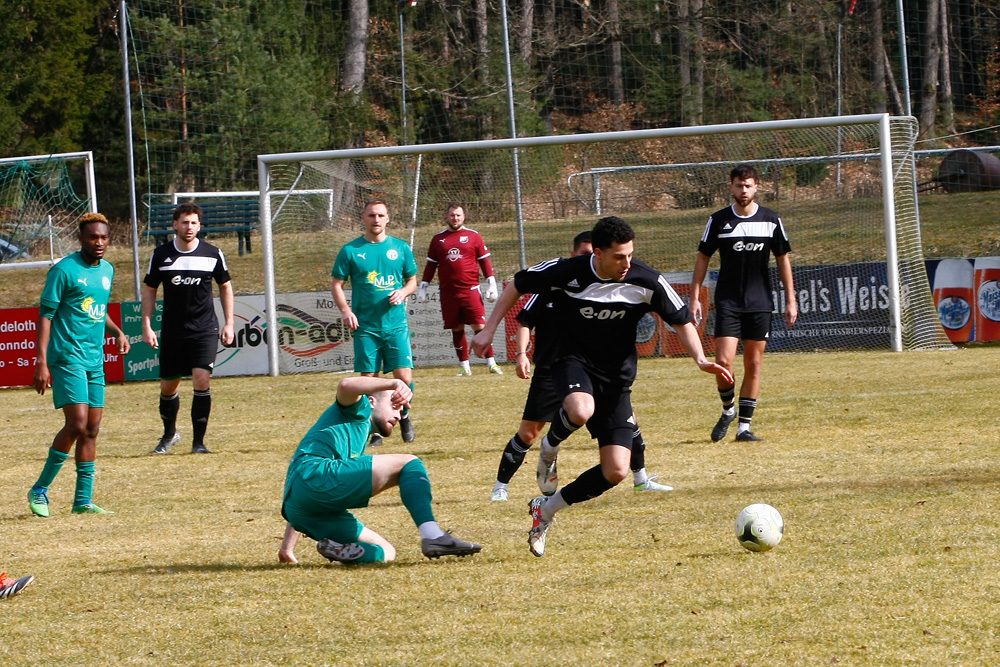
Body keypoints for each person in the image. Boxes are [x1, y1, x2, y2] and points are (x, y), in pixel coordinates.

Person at [472, 217, 732, 557]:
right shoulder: (568, 271)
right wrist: (489, 329)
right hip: (572, 361)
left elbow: (680, 318)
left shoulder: (646, 279)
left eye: (630, 255)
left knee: (617, 471)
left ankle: (545, 510)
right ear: (598, 253)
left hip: (617, 380)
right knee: (580, 410)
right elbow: (517, 285)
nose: (627, 263)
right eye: (619, 257)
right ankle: (550, 446)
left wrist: (699, 359)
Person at [489, 231, 672, 502]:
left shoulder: (608, 287)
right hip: (552, 369)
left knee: (627, 421)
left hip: (588, 368)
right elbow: (525, 320)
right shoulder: (554, 284)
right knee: (529, 432)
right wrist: (521, 354)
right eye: (583, 254)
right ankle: (500, 486)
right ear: (577, 256)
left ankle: (640, 477)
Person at [277, 376, 481, 564]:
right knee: (410, 464)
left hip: (301, 509)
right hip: (315, 476)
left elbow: (304, 493)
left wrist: (287, 549)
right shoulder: (358, 411)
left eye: (402, 411)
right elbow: (345, 385)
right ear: (371, 402)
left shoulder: (355, 431)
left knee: (386, 552)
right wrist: (393, 384)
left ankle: (341, 550)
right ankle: (433, 535)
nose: (399, 416)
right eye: (394, 406)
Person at [28, 213, 130, 517]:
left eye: (103, 237)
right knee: (77, 423)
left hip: (94, 358)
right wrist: (41, 361)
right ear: (80, 239)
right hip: (66, 356)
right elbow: (45, 317)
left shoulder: (108, 270)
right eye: (92, 237)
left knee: (92, 429)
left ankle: (83, 501)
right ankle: (40, 489)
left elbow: (97, 311)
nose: (99, 243)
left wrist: (118, 331)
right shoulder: (63, 271)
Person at [690, 164, 797, 443]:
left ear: (756, 186)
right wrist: (694, 297)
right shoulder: (719, 220)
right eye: (739, 185)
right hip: (728, 301)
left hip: (760, 302)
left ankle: (744, 428)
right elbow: (703, 257)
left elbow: (783, 258)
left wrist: (791, 298)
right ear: (731, 187)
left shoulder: (771, 220)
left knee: (754, 363)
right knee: (723, 361)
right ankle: (728, 410)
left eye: (748, 185)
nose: (744, 190)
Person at [142, 202, 235, 454]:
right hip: (173, 331)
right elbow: (150, 289)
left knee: (201, 379)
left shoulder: (213, 253)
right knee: (168, 386)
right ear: (175, 225)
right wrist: (147, 325)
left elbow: (225, 286)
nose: (189, 226)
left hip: (204, 329)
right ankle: (169, 435)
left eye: (194, 222)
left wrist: (229, 322)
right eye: (185, 222)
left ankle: (199, 443)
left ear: (200, 226)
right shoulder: (160, 255)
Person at [331, 199, 418, 446]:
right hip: (366, 327)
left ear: (388, 218)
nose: (376, 220)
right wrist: (346, 310)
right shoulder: (350, 250)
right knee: (369, 378)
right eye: (372, 215)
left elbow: (412, 280)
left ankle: (404, 415)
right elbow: (337, 284)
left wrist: (403, 292)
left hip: (396, 325)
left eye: (381, 215)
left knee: (404, 377)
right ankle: (374, 428)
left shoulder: (400, 248)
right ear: (363, 218)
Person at [417, 204, 502, 375]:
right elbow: (431, 265)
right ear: (447, 217)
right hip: (448, 293)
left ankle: (491, 363)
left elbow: (484, 261)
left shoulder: (473, 236)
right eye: (452, 215)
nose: (455, 218)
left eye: (458, 215)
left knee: (479, 326)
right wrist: (423, 286)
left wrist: (491, 283)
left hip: (470, 289)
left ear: (463, 217)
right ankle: (465, 367)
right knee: (456, 328)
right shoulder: (438, 239)